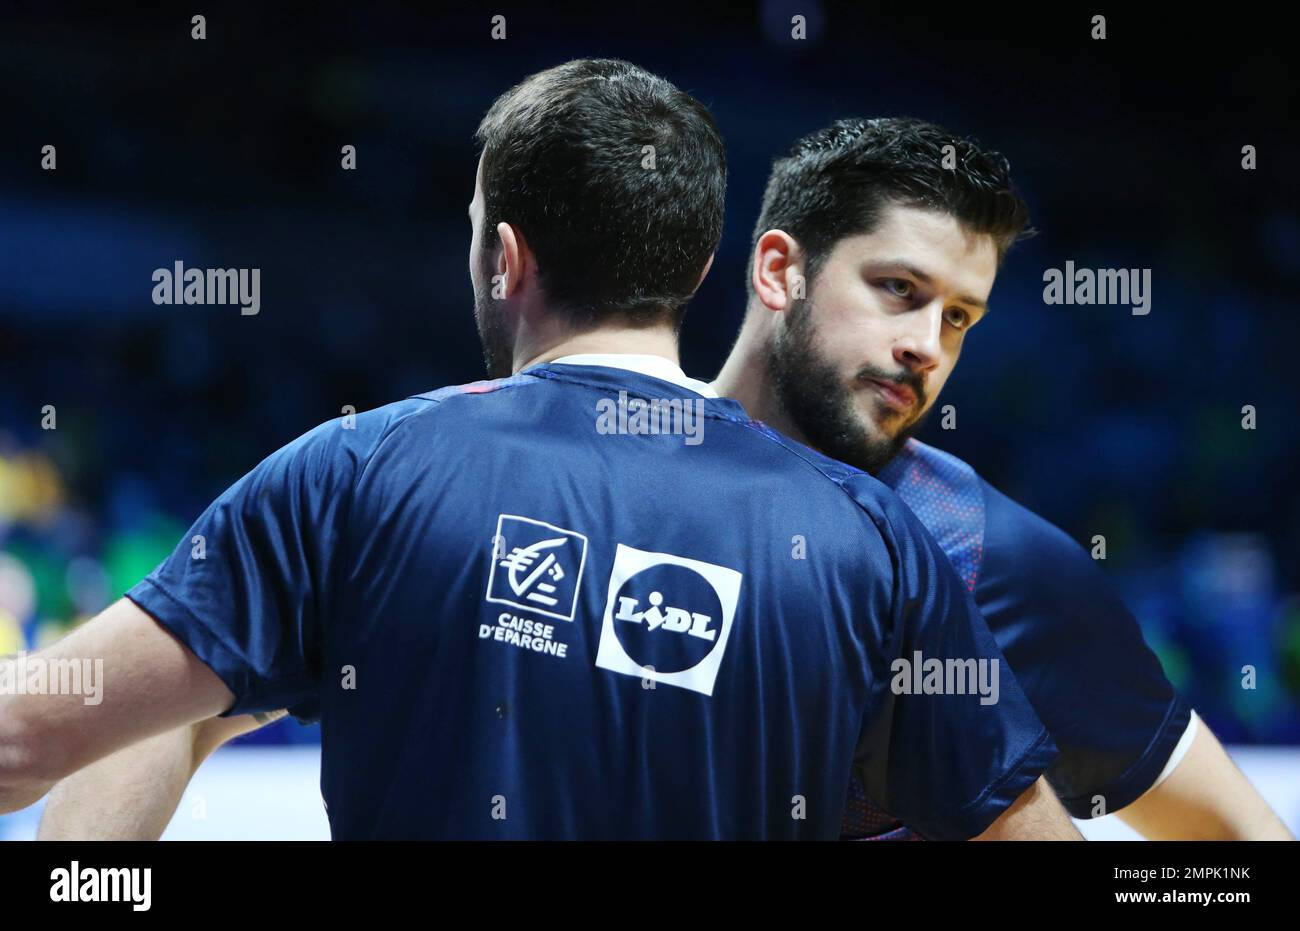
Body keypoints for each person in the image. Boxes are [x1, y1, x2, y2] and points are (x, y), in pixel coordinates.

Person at [4, 63, 1077, 840]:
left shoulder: (352, 475)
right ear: (703, 266)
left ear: (503, 258)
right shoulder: (873, 539)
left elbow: (28, 740)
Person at [714, 116, 1292, 840]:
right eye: (899, 288)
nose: (927, 346)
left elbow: (1240, 846)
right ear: (779, 271)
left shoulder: (991, 553)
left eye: (958, 317)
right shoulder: (596, 469)